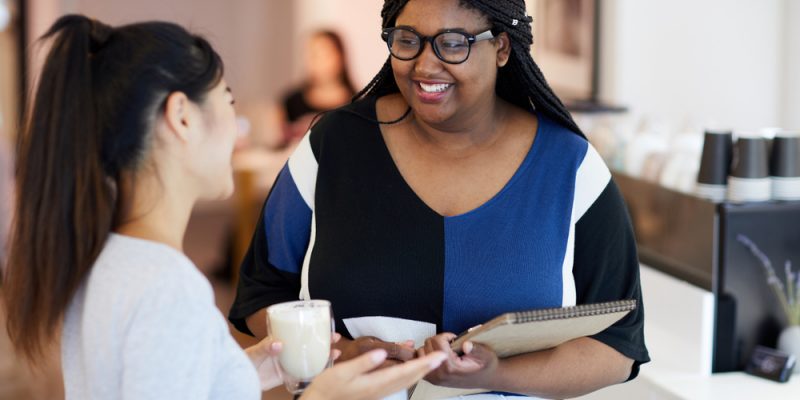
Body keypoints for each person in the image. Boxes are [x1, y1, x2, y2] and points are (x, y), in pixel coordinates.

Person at [1, 14, 447, 400]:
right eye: (228, 103)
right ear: (182, 117)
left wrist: (243, 370)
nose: (236, 132)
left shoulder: (108, 261)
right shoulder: (167, 288)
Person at [229, 0, 650, 398]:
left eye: (453, 43)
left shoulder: (569, 168)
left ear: (501, 47)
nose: (425, 65)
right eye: (408, 40)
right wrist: (332, 353)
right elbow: (262, 292)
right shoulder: (333, 146)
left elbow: (617, 343)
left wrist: (494, 373)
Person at [278, 30, 357, 146]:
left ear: (340, 56)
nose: (317, 62)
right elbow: (281, 143)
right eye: (312, 54)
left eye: (325, 55)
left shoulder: (357, 103)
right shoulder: (291, 101)